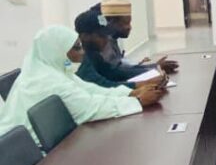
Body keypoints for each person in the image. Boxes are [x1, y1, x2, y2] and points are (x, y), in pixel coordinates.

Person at [0, 26, 165, 145]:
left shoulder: (51, 70)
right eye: (77, 48)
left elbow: (89, 90)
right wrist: (137, 102)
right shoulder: (48, 81)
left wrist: (130, 94)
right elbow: (89, 108)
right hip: (23, 153)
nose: (82, 52)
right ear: (57, 51)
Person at [74, 10, 167, 89]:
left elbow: (114, 73)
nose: (106, 39)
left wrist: (153, 69)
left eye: (107, 34)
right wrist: (143, 84)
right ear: (85, 36)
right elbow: (103, 85)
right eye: (101, 35)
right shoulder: (80, 60)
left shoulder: (94, 55)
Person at [92, 0, 179, 78]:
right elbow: (117, 73)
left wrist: (152, 66)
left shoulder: (112, 39)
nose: (129, 27)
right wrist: (154, 68)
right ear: (111, 22)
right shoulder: (104, 44)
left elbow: (121, 66)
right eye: (126, 23)